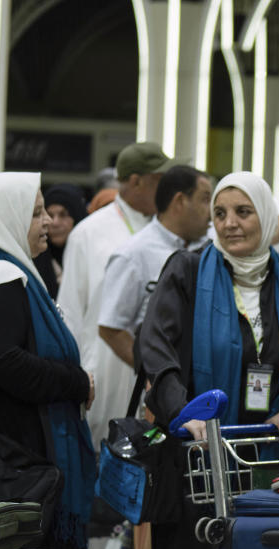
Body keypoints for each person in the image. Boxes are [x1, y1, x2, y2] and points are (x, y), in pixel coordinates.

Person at [137, 171, 279, 549]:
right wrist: (187, 414)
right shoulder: (186, 271)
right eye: (220, 213)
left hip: (269, 459)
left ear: (265, 215)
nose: (230, 224)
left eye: (243, 212)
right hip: (198, 462)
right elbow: (155, 349)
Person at [0, 172, 96, 549]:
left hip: (2, 452)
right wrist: (75, 382)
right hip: (13, 459)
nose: (47, 222)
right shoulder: (4, 279)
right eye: (35, 213)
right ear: (7, 217)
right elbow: (3, 361)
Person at [57, 142, 178, 446]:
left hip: (161, 370)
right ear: (135, 181)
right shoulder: (89, 233)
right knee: (107, 458)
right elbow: (71, 310)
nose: (167, 189)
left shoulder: (171, 232)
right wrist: (80, 377)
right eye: (159, 181)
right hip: (105, 367)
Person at [98, 166, 212, 370]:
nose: (211, 212)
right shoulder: (134, 254)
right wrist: (157, 374)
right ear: (180, 202)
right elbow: (110, 327)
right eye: (204, 199)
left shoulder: (211, 249)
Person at [34, 183, 87, 298]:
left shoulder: (89, 259)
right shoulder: (34, 260)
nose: (55, 223)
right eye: (50, 215)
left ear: (77, 217)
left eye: (63, 215)